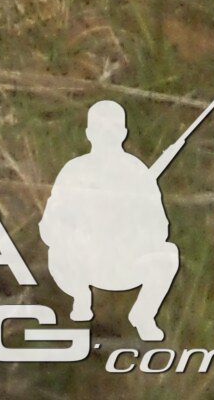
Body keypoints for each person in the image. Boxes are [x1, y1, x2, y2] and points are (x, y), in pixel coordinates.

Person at [42, 100, 183, 340]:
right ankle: (80, 298)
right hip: (84, 261)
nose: (107, 135)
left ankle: (144, 315)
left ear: (123, 133)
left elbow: (160, 228)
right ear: (89, 133)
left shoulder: (138, 173)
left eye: (113, 129)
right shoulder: (75, 171)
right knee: (58, 251)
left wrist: (129, 222)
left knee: (167, 255)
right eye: (100, 129)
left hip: (125, 262)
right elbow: (50, 224)